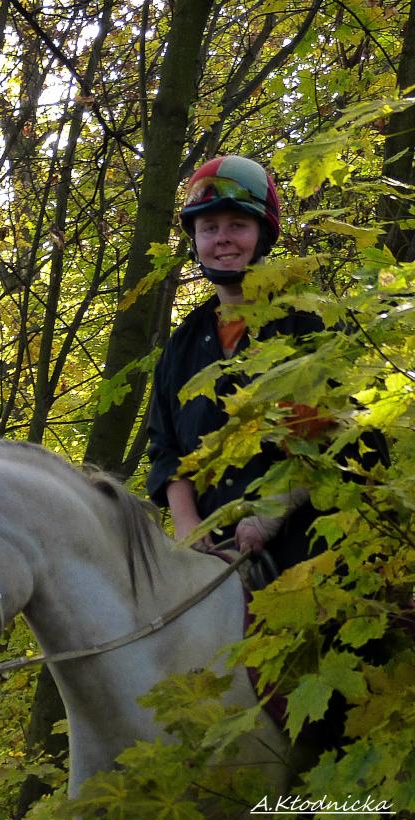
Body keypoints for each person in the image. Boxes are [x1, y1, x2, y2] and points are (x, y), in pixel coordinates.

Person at [147, 154, 326, 573]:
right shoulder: (184, 344)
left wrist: (270, 514)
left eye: (237, 226)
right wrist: (187, 521)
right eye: (209, 228)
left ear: (263, 234)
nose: (222, 239)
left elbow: (333, 436)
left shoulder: (309, 322)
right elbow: (166, 446)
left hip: (311, 554)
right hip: (208, 557)